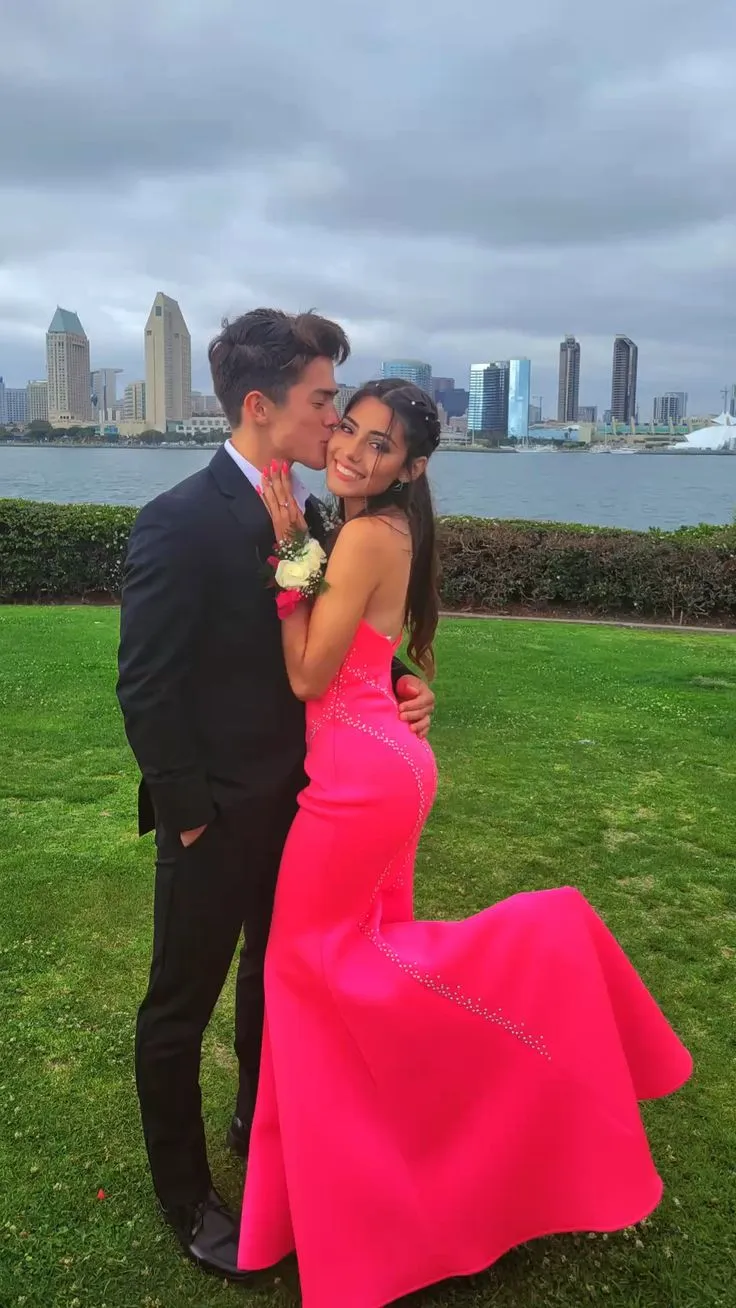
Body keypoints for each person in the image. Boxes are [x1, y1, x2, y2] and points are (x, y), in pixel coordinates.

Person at [238, 378, 693, 1308]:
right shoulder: (388, 529)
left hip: (357, 780)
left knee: (306, 970)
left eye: (379, 445)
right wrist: (329, 585)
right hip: (386, 764)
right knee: (356, 971)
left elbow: (310, 676)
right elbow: (372, 656)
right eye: (349, 429)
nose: (351, 450)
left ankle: (548, 945)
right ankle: (389, 1170)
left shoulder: (365, 535)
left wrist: (288, 558)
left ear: (410, 467)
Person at [115, 312, 436, 1281]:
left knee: (274, 980)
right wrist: (190, 816)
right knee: (180, 1005)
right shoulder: (179, 519)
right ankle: (185, 1198)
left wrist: (399, 683)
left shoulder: (318, 519)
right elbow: (147, 685)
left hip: (308, 809)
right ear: (261, 406)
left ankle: (262, 1127)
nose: (335, 420)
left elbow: (340, 637)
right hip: (216, 817)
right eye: (323, 401)